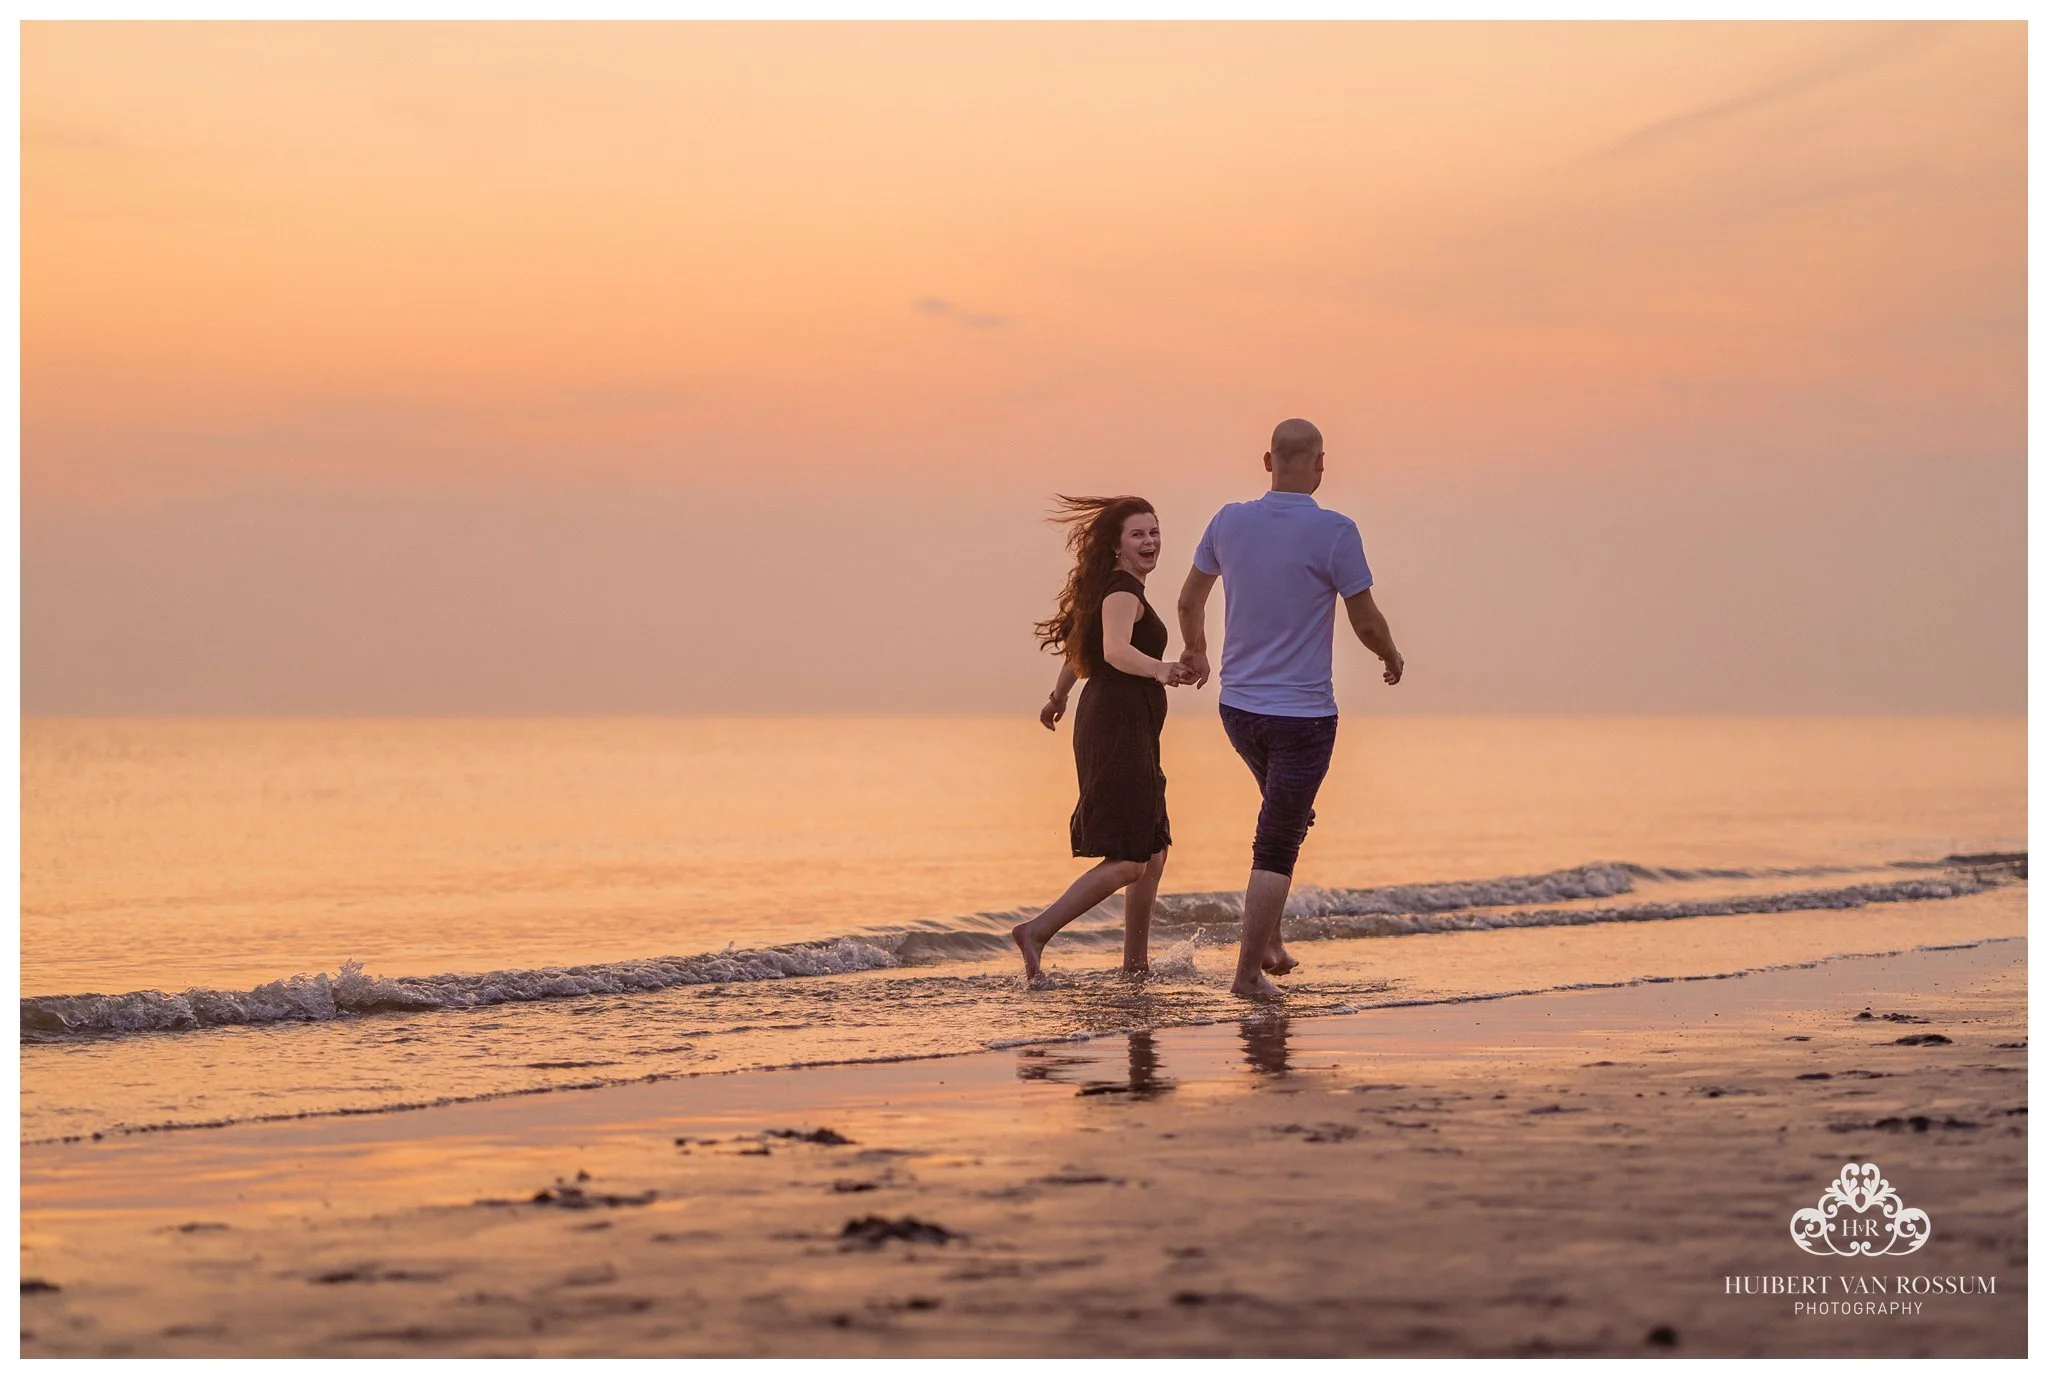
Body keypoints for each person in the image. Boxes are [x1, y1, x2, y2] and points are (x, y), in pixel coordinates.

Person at [1175, 419, 1404, 999]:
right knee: (1277, 841)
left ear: (1267, 460)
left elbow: (1189, 598)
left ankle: (1270, 943)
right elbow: (1366, 619)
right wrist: (1391, 653)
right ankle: (1247, 975)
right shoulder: (1335, 531)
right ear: (1321, 464)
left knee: (1287, 816)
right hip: (1302, 717)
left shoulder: (1228, 521)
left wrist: (1197, 651)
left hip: (1238, 711)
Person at [1015, 496, 1194, 983]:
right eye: (1138, 534)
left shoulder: (1116, 591)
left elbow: (1082, 652)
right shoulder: (1123, 593)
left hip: (1127, 724)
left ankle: (1135, 965)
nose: (1149, 541)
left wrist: (1058, 696)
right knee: (1130, 860)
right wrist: (1161, 668)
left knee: (1153, 849)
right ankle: (1036, 931)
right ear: (1116, 545)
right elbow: (1113, 651)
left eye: (1154, 532)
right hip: (1118, 726)